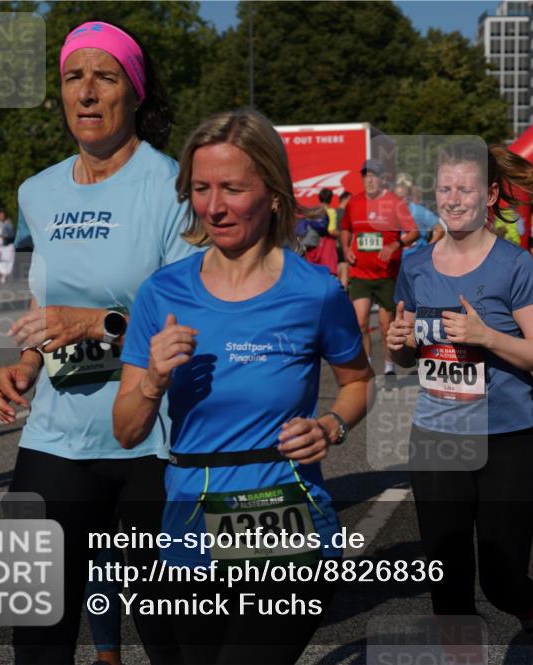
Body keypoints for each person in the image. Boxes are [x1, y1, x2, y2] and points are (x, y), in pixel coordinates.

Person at [112, 108, 372, 665]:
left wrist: (332, 424)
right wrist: (154, 379)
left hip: (283, 514)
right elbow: (127, 430)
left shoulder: (316, 292)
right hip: (188, 518)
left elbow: (357, 383)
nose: (213, 206)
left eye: (232, 188)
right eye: (201, 188)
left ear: (275, 194)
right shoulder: (161, 293)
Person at [0, 21, 194, 664]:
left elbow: (192, 323)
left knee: (166, 634)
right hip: (54, 434)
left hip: (150, 439)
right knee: (36, 626)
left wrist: (97, 324)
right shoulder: (38, 191)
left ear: (133, 92)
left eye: (104, 77)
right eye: (74, 77)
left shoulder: (172, 188)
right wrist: (24, 361)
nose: (86, 92)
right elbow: (46, 299)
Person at [387, 141, 533, 665]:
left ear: (489, 195)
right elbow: (406, 358)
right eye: (444, 189)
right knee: (446, 581)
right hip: (437, 436)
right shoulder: (416, 264)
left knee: (502, 576)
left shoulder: (513, 264)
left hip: (508, 438)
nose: (453, 198)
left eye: (464, 188)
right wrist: (400, 344)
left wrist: (487, 336)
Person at [341, 159, 419, 375]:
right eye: (366, 175)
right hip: (360, 274)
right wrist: (346, 247)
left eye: (374, 175)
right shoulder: (354, 203)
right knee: (360, 322)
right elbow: (345, 229)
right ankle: (366, 366)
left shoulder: (395, 203)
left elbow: (414, 232)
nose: (369, 179)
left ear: (382, 179)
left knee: (386, 327)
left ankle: (389, 367)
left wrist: (396, 243)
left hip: (387, 275)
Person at [395, 173, 444, 260]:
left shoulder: (418, 211)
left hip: (415, 261)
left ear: (409, 196)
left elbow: (440, 229)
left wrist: (427, 250)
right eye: (397, 197)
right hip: (398, 262)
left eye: (403, 197)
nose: (399, 201)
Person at [0, 209, 16, 283]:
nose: (0, 217)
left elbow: (11, 235)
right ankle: (3, 275)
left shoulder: (8, 224)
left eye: (2, 215)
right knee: (0, 261)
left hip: (6, 245)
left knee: (7, 260)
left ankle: (4, 276)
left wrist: (4, 236)